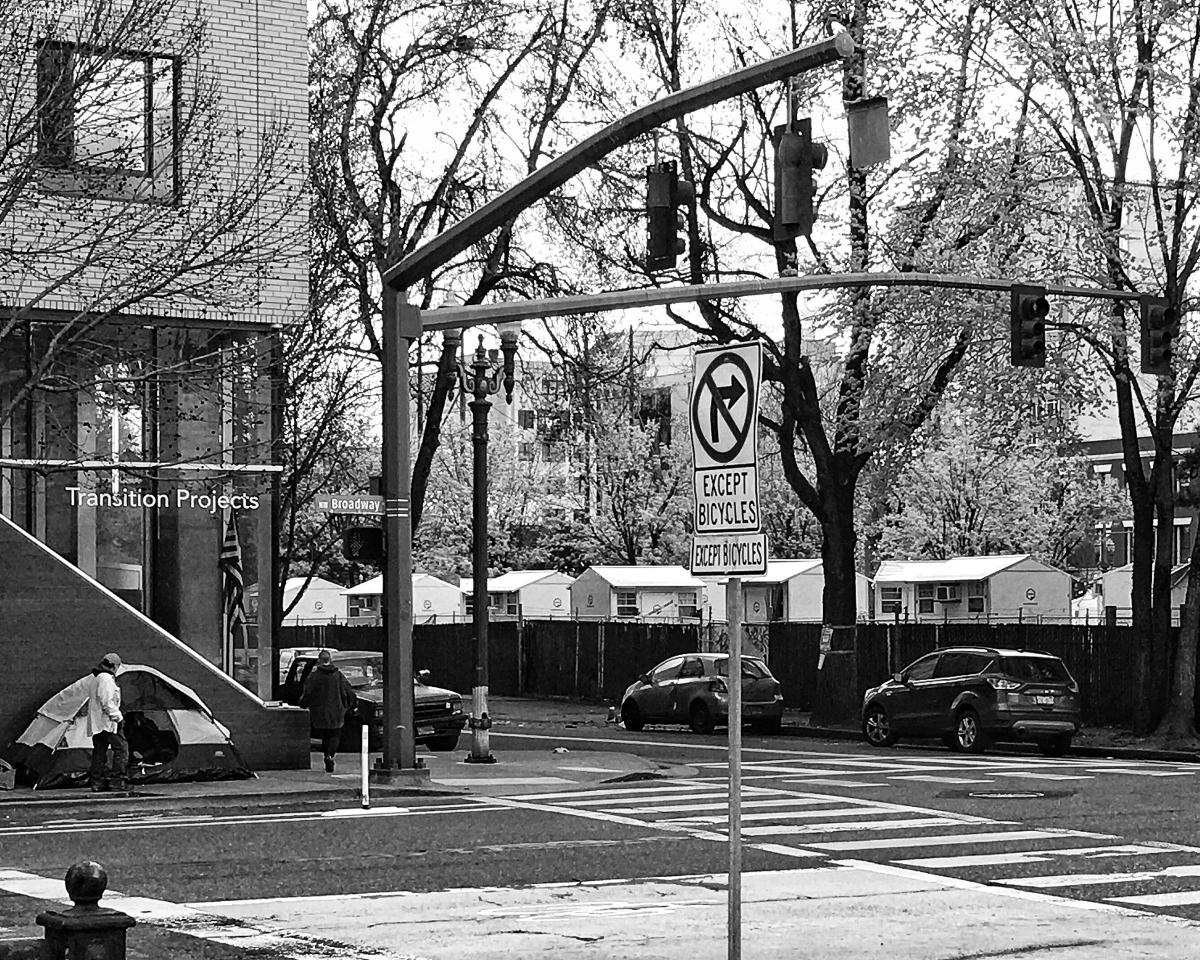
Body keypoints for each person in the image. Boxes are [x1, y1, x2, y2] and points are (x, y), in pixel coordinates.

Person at [300, 650, 356, 773]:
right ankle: (330, 755)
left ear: (319, 661)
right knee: (335, 734)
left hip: (319, 711)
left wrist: (303, 704)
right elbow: (349, 692)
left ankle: (327, 755)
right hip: (337, 711)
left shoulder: (314, 676)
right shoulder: (338, 675)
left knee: (325, 735)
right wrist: (349, 706)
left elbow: (307, 693)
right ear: (330, 660)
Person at [87, 652, 128, 793]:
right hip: (108, 722)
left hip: (97, 723)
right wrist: (118, 717)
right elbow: (107, 702)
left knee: (99, 751)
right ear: (114, 666)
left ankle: (97, 781)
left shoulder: (96, 678)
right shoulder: (106, 679)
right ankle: (118, 781)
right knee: (121, 749)